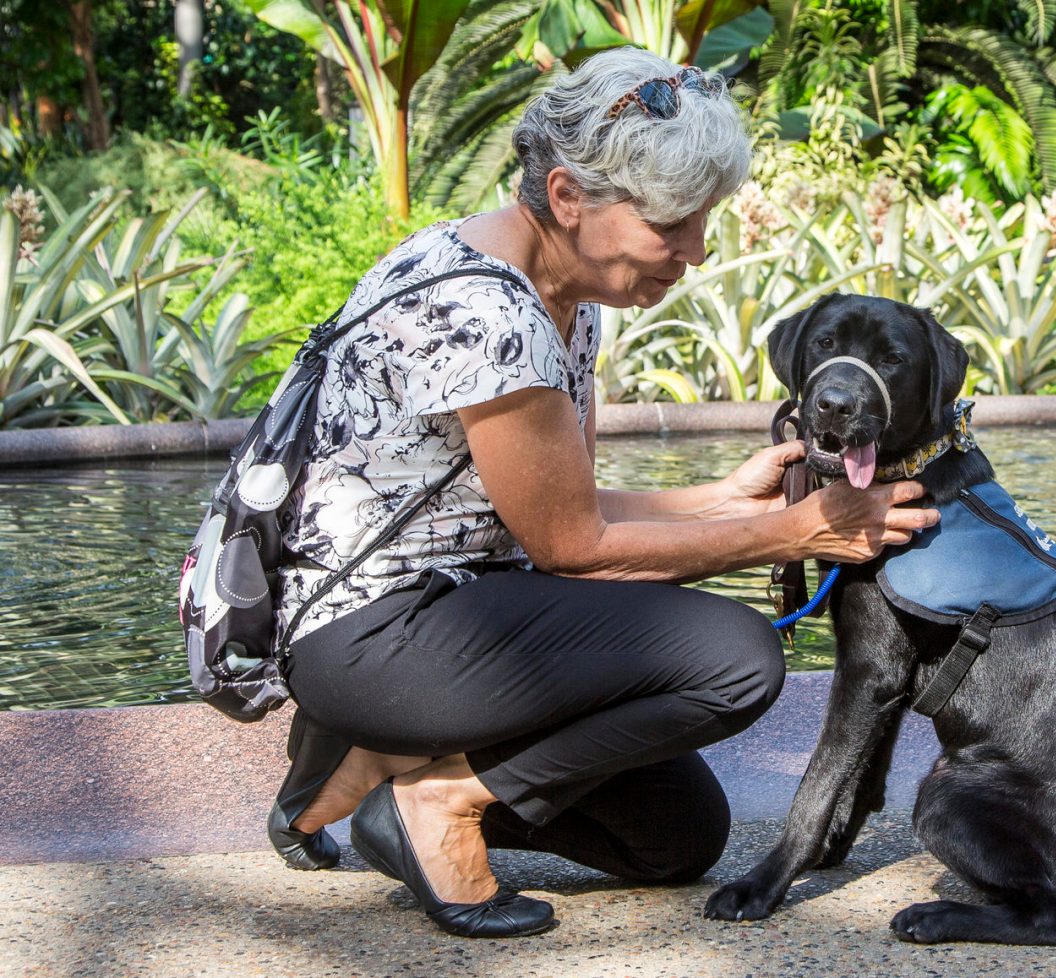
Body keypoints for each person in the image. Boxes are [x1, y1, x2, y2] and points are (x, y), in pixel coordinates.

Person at [262, 47, 938, 939]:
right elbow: (571, 551)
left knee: (676, 841)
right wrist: (800, 532)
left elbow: (555, 508)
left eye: (705, 221)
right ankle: (441, 803)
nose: (695, 253)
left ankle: (384, 753)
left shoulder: (562, 293)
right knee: (734, 657)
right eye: (672, 223)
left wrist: (723, 498)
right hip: (376, 629)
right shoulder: (486, 313)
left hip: (468, 605)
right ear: (570, 197)